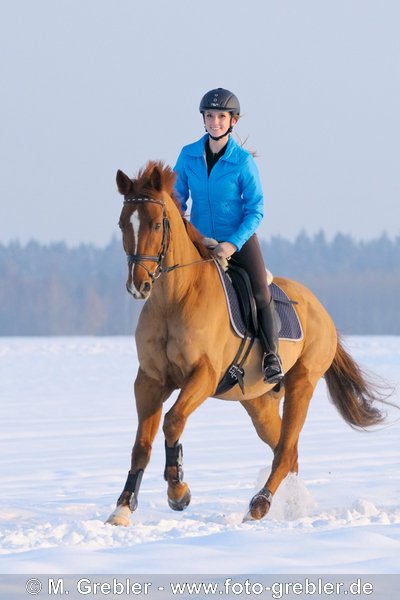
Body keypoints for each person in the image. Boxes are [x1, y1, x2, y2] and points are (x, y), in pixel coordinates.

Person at [173, 87, 283, 385]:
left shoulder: (243, 161)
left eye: (221, 116)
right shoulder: (188, 155)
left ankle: (271, 355)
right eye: (210, 116)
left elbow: (256, 208)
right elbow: (176, 199)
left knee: (260, 290)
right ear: (204, 119)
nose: (215, 122)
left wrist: (232, 243)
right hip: (199, 241)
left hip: (239, 239)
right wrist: (183, 232)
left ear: (232, 121)